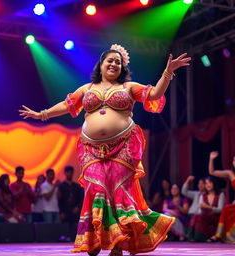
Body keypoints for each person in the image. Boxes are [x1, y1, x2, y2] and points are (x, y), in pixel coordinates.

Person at [19, 44, 190, 256]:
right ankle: (95, 239)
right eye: (110, 60)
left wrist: (168, 72)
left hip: (123, 147)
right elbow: (66, 105)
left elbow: (154, 95)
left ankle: (117, 244)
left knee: (117, 191)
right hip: (91, 149)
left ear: (122, 68)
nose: (114, 64)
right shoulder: (87, 89)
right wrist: (42, 114)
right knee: (95, 189)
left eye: (118, 62)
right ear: (101, 64)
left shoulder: (128, 87)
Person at [207, 151, 235, 243]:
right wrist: (211, 159)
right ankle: (218, 235)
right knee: (227, 208)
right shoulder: (230, 173)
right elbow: (212, 172)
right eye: (234, 160)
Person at [187, 176, 225, 242]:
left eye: (210, 183)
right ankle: (196, 237)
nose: (208, 185)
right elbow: (201, 212)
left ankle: (196, 237)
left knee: (198, 217)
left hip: (216, 218)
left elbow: (220, 210)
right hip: (206, 218)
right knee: (196, 217)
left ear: (214, 184)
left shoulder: (220, 195)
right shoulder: (203, 196)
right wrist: (202, 208)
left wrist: (208, 207)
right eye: (206, 183)